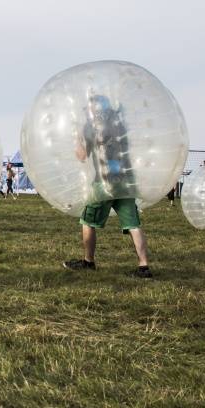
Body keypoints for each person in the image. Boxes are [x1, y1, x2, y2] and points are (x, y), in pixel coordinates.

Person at [63, 94, 153, 278]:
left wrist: (77, 136)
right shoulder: (119, 125)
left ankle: (88, 261)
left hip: (104, 183)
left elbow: (81, 156)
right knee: (133, 224)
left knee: (87, 221)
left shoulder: (91, 127)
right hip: (126, 182)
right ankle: (144, 266)